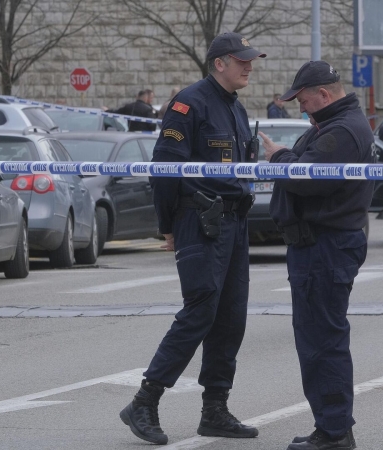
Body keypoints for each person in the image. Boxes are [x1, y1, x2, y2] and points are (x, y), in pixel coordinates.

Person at [118, 32, 265, 445]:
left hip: (234, 223)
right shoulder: (189, 104)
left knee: (231, 317)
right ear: (219, 63)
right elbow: (164, 170)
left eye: (251, 60)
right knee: (201, 309)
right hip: (200, 220)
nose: (249, 66)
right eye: (242, 60)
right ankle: (145, 401)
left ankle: (215, 408)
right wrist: (167, 227)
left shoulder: (234, 107)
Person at [260, 60, 374, 450]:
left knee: (321, 341)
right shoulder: (334, 126)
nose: (301, 107)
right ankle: (332, 424)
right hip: (319, 246)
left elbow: (309, 178)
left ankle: (334, 430)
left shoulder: (341, 131)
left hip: (324, 246)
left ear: (324, 95)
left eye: (304, 100)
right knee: (318, 338)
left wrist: (278, 158)